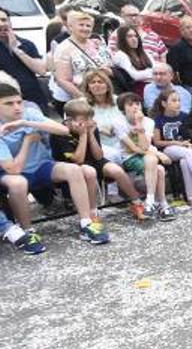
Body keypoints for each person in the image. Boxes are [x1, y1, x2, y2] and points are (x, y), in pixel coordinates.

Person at [0, 83, 110, 245]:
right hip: (13, 173)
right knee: (18, 183)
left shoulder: (28, 114)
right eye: (9, 104)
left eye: (19, 102)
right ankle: (28, 232)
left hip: (42, 166)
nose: (17, 107)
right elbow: (13, 169)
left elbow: (63, 130)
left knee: (73, 170)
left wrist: (25, 124)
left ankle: (86, 224)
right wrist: (28, 141)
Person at [51, 95, 145, 215]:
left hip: (92, 160)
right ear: (69, 120)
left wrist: (90, 134)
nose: (88, 122)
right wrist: (83, 135)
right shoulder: (60, 132)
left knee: (116, 170)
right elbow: (78, 160)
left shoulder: (90, 127)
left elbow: (99, 156)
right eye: (83, 120)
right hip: (71, 166)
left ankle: (136, 202)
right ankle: (92, 212)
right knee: (90, 171)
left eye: (89, 119)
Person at [112, 88, 176, 221]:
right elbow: (133, 148)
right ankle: (161, 204)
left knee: (160, 169)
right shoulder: (118, 123)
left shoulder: (149, 122)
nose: (135, 107)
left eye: (137, 103)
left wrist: (140, 125)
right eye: (130, 105)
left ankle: (152, 202)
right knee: (155, 162)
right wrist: (158, 154)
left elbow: (145, 146)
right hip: (130, 157)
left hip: (147, 154)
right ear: (123, 109)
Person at [148, 89, 192, 207]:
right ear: (164, 104)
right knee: (188, 153)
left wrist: (190, 144)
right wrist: (178, 143)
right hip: (167, 150)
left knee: (186, 160)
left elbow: (190, 134)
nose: (178, 103)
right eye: (174, 101)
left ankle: (191, 198)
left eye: (179, 100)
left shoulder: (184, 116)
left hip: (184, 148)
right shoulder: (158, 120)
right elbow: (157, 142)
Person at [49, 10, 113, 111]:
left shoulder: (97, 43)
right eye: (81, 25)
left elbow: (109, 64)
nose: (85, 28)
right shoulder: (64, 48)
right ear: (71, 27)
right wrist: (83, 98)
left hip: (102, 95)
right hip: (78, 99)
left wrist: (108, 71)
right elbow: (62, 80)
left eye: (88, 26)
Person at [0, 6, 50, 112]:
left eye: (4, 20)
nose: (1, 24)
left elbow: (41, 70)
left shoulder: (26, 44)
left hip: (35, 101)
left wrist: (16, 49)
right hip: (6, 105)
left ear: (10, 22)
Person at [110, 24, 155, 96]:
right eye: (129, 36)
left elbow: (157, 69)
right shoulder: (120, 55)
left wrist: (153, 73)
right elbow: (134, 76)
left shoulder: (145, 52)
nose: (134, 39)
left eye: (135, 36)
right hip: (136, 90)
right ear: (122, 39)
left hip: (153, 85)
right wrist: (152, 72)